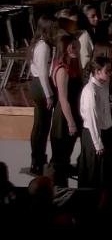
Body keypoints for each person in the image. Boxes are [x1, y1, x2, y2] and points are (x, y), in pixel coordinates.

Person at [49, 35, 82, 186]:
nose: (76, 50)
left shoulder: (73, 66)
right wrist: (71, 122)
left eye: (77, 46)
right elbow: (63, 99)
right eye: (73, 47)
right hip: (64, 117)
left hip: (73, 112)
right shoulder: (62, 69)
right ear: (64, 48)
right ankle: (57, 188)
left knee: (66, 155)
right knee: (60, 158)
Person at [78, 57, 112, 188]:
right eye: (107, 70)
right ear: (97, 71)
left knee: (105, 173)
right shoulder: (90, 90)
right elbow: (92, 119)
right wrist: (98, 144)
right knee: (94, 172)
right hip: (94, 134)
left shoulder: (104, 84)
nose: (110, 73)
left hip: (105, 131)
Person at [29, 15, 56, 175]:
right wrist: (49, 95)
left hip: (38, 84)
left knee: (40, 125)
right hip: (41, 86)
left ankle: (38, 158)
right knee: (41, 126)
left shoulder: (38, 44)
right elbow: (43, 73)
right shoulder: (43, 46)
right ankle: (37, 160)